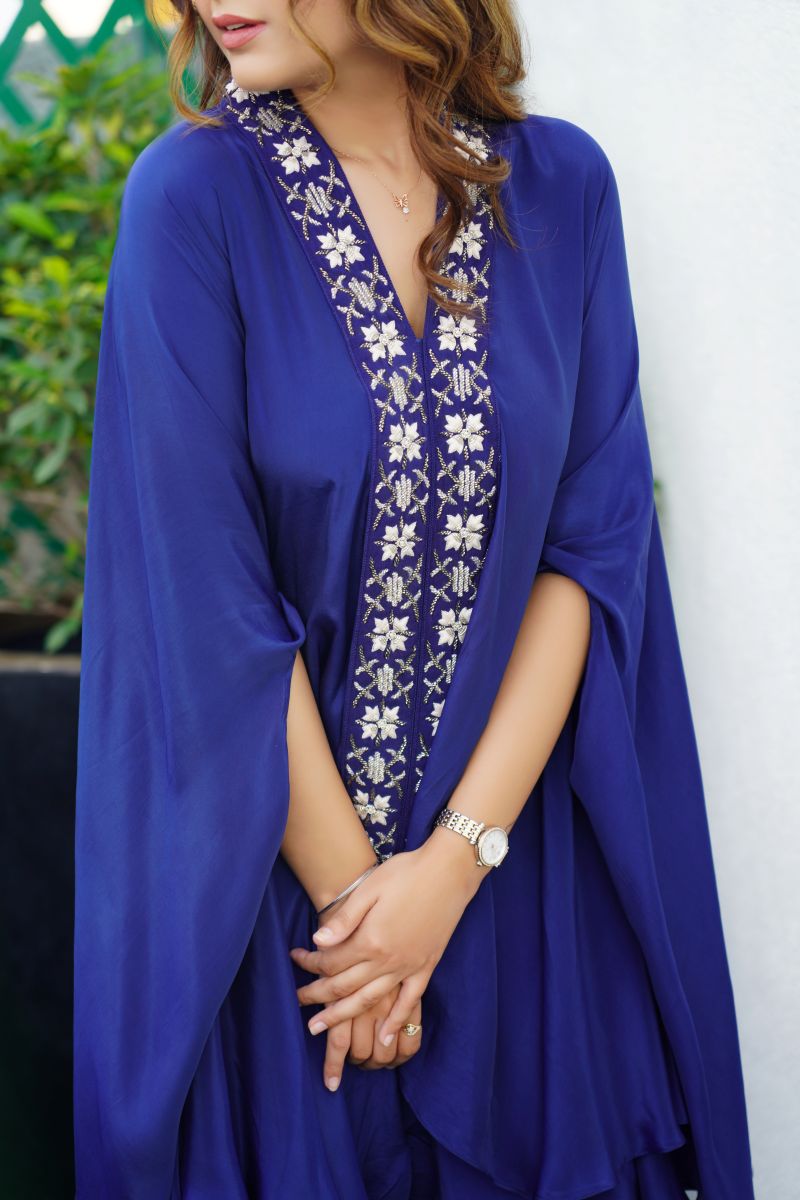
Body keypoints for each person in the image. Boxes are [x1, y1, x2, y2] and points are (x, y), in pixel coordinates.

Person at [72, 1, 756, 1197]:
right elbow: (205, 601)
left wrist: (448, 870)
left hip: (518, 892)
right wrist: (362, 924)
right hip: (283, 926)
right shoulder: (192, 200)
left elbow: (590, 551)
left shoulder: (561, 189)